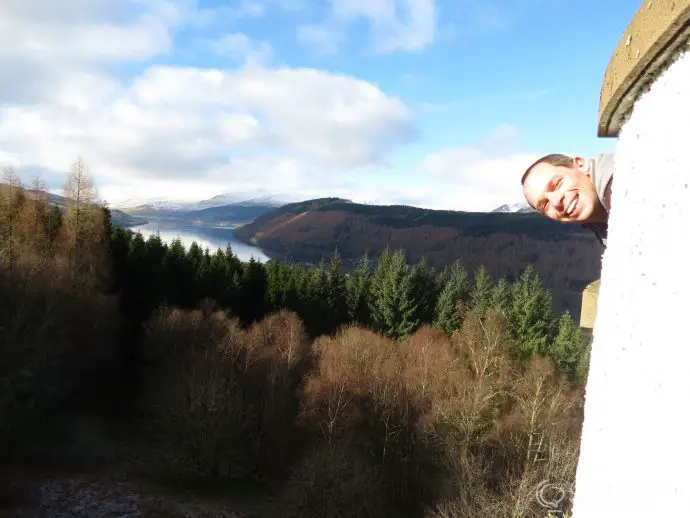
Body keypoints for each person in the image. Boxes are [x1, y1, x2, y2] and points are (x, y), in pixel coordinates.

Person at [521, 152, 614, 247]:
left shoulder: (621, 175)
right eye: (545, 204)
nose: (556, 201)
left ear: (581, 165)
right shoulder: (602, 226)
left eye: (557, 184)